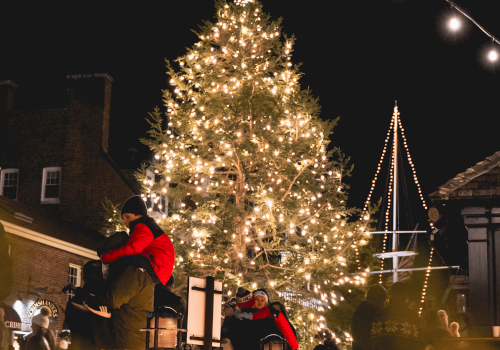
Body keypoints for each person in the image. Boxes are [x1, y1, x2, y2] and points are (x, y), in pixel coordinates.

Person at [100, 195, 175, 286]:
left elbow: (132, 250)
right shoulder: (146, 226)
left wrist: (107, 257)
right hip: (158, 269)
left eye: (127, 217)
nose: (125, 222)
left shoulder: (144, 227)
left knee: (122, 262)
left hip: (156, 269)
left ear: (138, 215)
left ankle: (108, 287)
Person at [371, 282, 422, 350]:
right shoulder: (412, 316)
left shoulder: (379, 314)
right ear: (405, 296)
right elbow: (418, 342)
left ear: (390, 295)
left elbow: (373, 340)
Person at [351, 284, 387, 350]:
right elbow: (366, 340)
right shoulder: (371, 314)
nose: (383, 304)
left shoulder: (360, 312)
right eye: (382, 301)